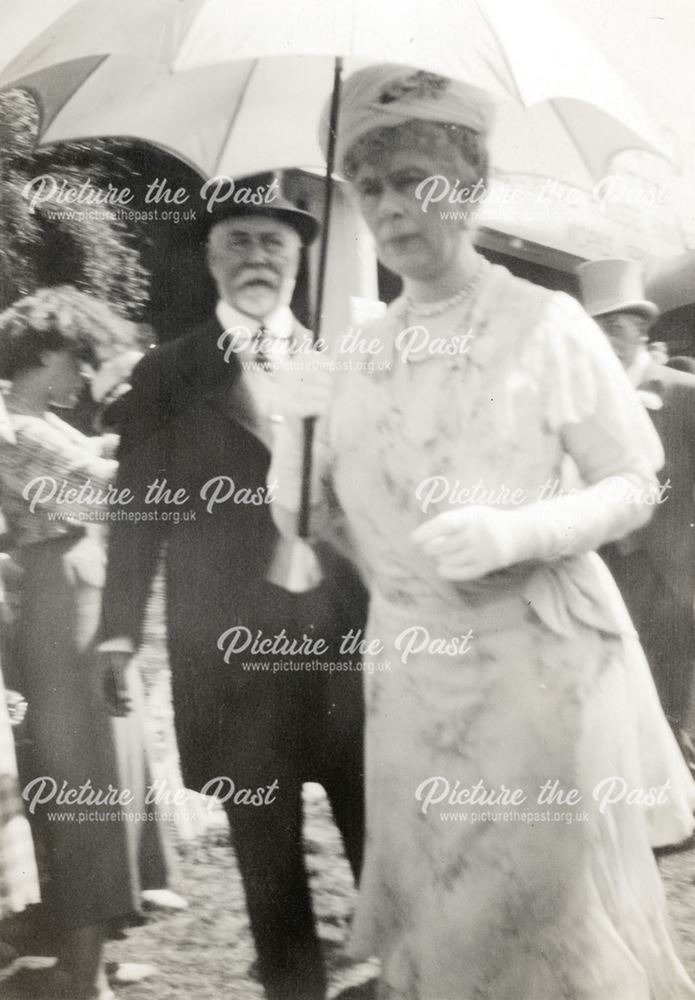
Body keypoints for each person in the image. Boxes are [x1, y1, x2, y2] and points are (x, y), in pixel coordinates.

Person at [269, 65, 695, 999]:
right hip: (411, 677)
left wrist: (523, 530)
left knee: (536, 924)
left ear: (467, 186)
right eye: (368, 186)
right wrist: (289, 446)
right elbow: (315, 526)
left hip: (535, 677)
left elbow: (635, 481)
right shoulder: (356, 350)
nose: (388, 205)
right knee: (437, 916)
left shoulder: (546, 325)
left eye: (415, 177)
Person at [99, 187, 367, 1000]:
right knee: (264, 837)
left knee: (377, 828)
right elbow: (138, 509)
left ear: (297, 259)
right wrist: (118, 633)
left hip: (342, 641)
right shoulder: (169, 372)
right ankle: (293, 985)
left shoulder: (343, 364)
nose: (258, 256)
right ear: (213, 257)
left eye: (275, 244)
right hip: (230, 645)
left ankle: (410, 971)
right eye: (240, 241)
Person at [0, 286, 171, 1000]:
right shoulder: (15, 429)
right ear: (45, 355)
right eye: (76, 358)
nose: (82, 372)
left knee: (101, 771)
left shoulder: (35, 418)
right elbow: (106, 492)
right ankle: (82, 976)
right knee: (89, 778)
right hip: (57, 602)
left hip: (72, 591)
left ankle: (87, 957)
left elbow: (96, 453)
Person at [578, 259, 695, 749]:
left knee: (663, 717)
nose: (604, 340)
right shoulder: (581, 397)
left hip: (670, 585)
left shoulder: (685, 395)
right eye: (595, 328)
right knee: (607, 718)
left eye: (615, 327)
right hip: (600, 579)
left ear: (643, 328)